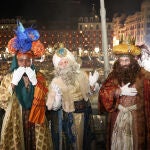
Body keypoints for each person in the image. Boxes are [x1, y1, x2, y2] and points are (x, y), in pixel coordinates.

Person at [0, 21, 53, 150]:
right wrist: (13, 84)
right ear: (16, 61)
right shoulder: (8, 78)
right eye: (21, 60)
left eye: (28, 60)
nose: (24, 63)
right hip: (15, 119)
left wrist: (36, 83)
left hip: (36, 119)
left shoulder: (40, 77)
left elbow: (47, 101)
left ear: (32, 61)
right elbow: (2, 101)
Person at [46, 45, 100, 150]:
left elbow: (88, 93)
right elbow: (52, 106)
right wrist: (57, 97)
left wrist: (93, 87)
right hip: (69, 116)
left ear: (71, 62)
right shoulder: (55, 82)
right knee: (73, 143)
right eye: (61, 63)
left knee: (86, 140)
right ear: (57, 66)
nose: (64, 65)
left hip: (86, 112)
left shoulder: (82, 75)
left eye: (66, 62)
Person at [98, 42, 147, 150]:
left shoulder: (143, 75)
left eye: (127, 60)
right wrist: (117, 91)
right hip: (117, 115)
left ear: (132, 61)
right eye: (121, 61)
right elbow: (103, 92)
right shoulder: (113, 75)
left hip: (137, 117)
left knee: (136, 143)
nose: (124, 63)